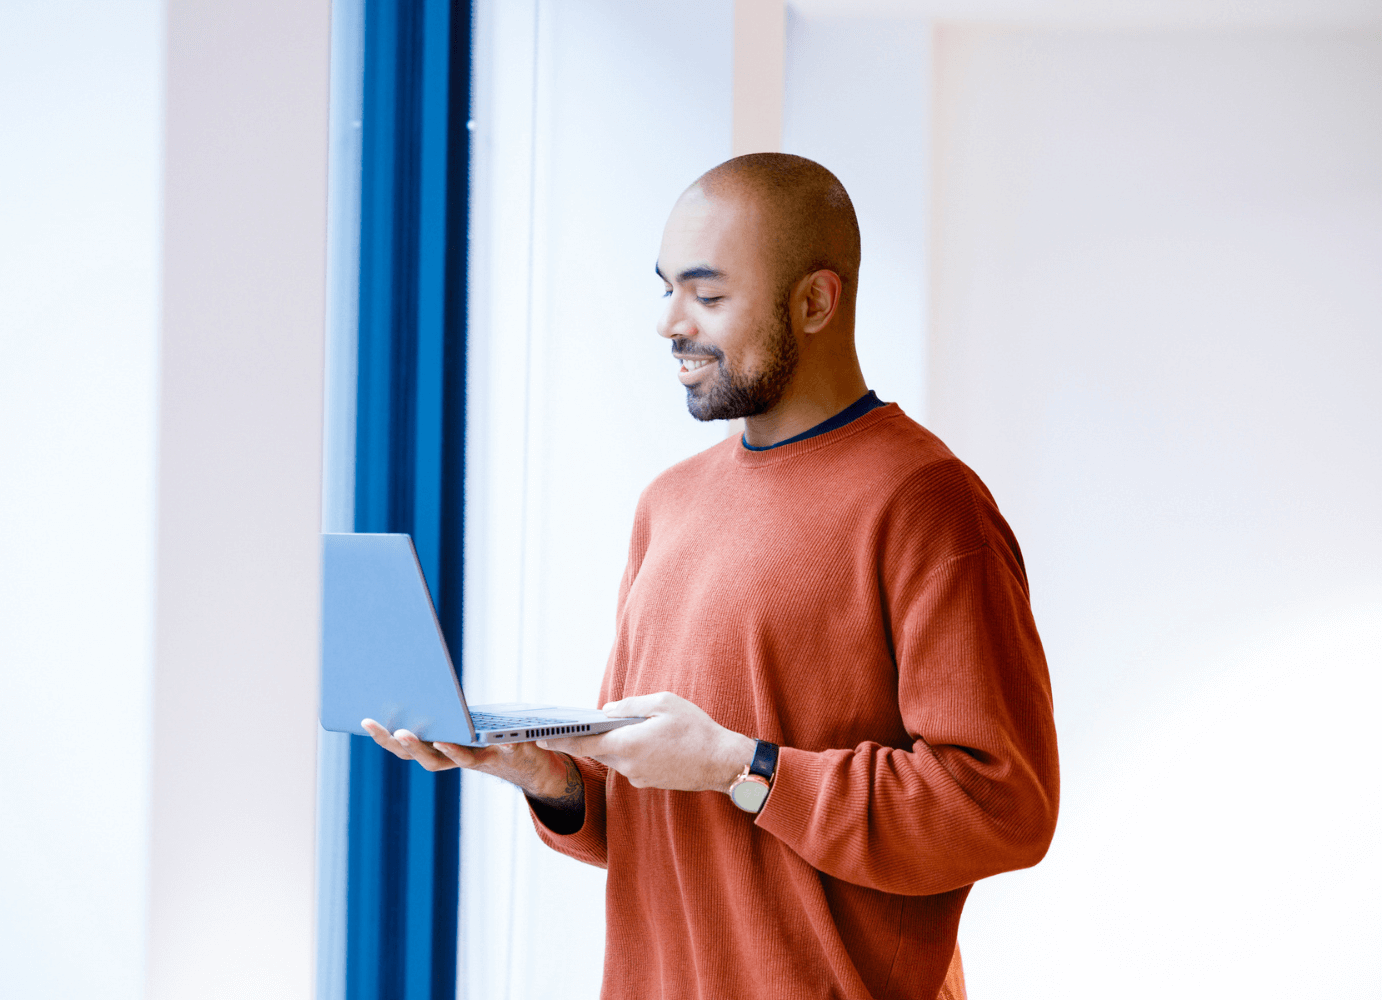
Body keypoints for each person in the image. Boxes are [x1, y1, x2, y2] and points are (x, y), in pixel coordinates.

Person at [363, 153, 1059, 1000]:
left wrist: (743, 765)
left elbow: (1000, 810)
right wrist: (552, 779)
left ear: (814, 302)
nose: (669, 323)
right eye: (666, 289)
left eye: (709, 294)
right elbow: (651, 813)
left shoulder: (927, 505)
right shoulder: (669, 504)